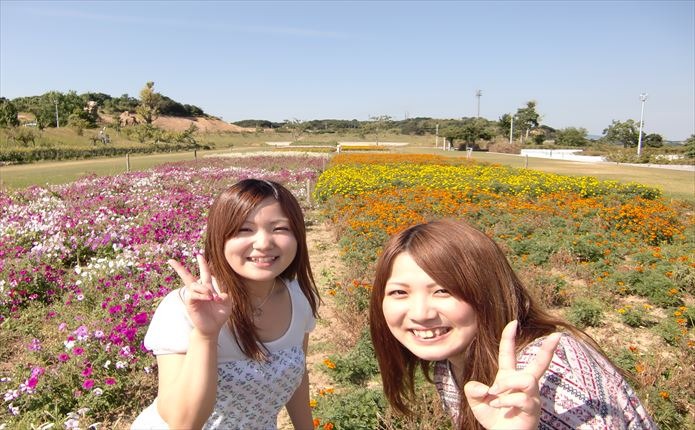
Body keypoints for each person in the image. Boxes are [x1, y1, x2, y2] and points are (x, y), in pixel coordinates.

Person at [369, 219, 656, 430]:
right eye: (399, 292)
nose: (420, 313)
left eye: (443, 290)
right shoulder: (450, 366)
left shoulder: (548, 375)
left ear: (486, 291)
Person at [131, 179, 320, 430]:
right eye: (244, 229)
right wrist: (206, 336)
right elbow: (182, 423)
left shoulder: (299, 298)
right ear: (220, 239)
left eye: (280, 228)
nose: (264, 243)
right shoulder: (182, 309)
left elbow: (297, 376)